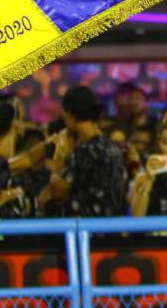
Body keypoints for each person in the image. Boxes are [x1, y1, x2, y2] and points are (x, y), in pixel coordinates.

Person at [40, 86, 128, 217]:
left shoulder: (87, 150)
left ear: (69, 114)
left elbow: (58, 191)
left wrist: (57, 160)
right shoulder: (111, 147)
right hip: (110, 228)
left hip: (87, 230)